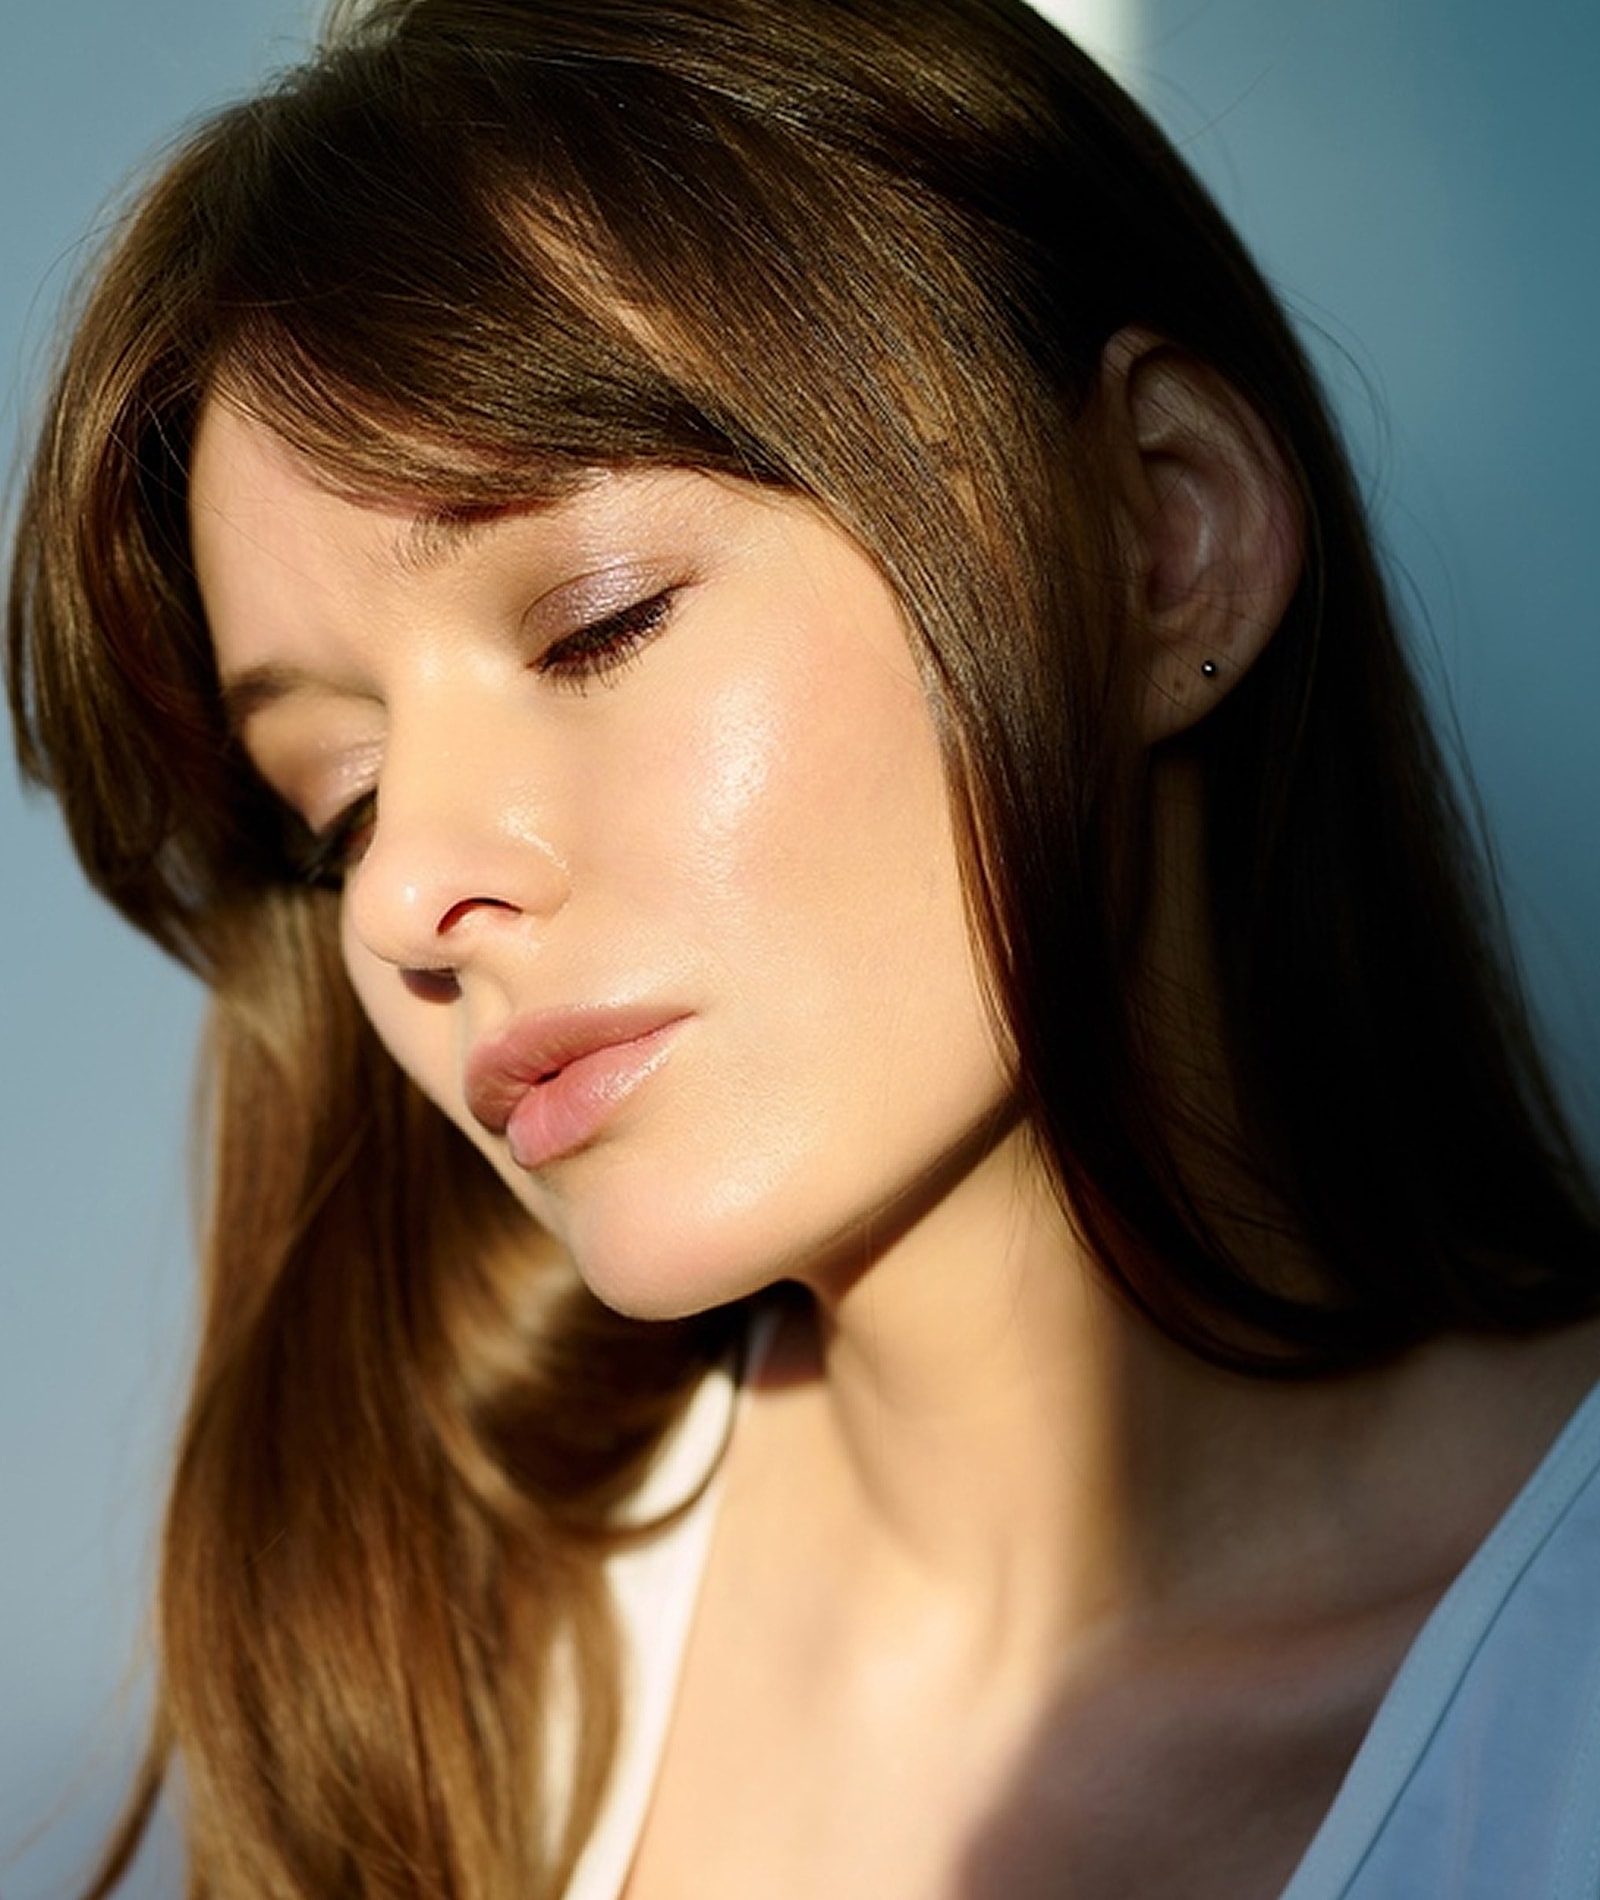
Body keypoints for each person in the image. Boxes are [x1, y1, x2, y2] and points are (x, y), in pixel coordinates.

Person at [8, 0, 1600, 1894]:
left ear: (1164, 535)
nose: (402, 887)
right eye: (337, 799)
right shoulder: (433, 1697)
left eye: (597, 622)